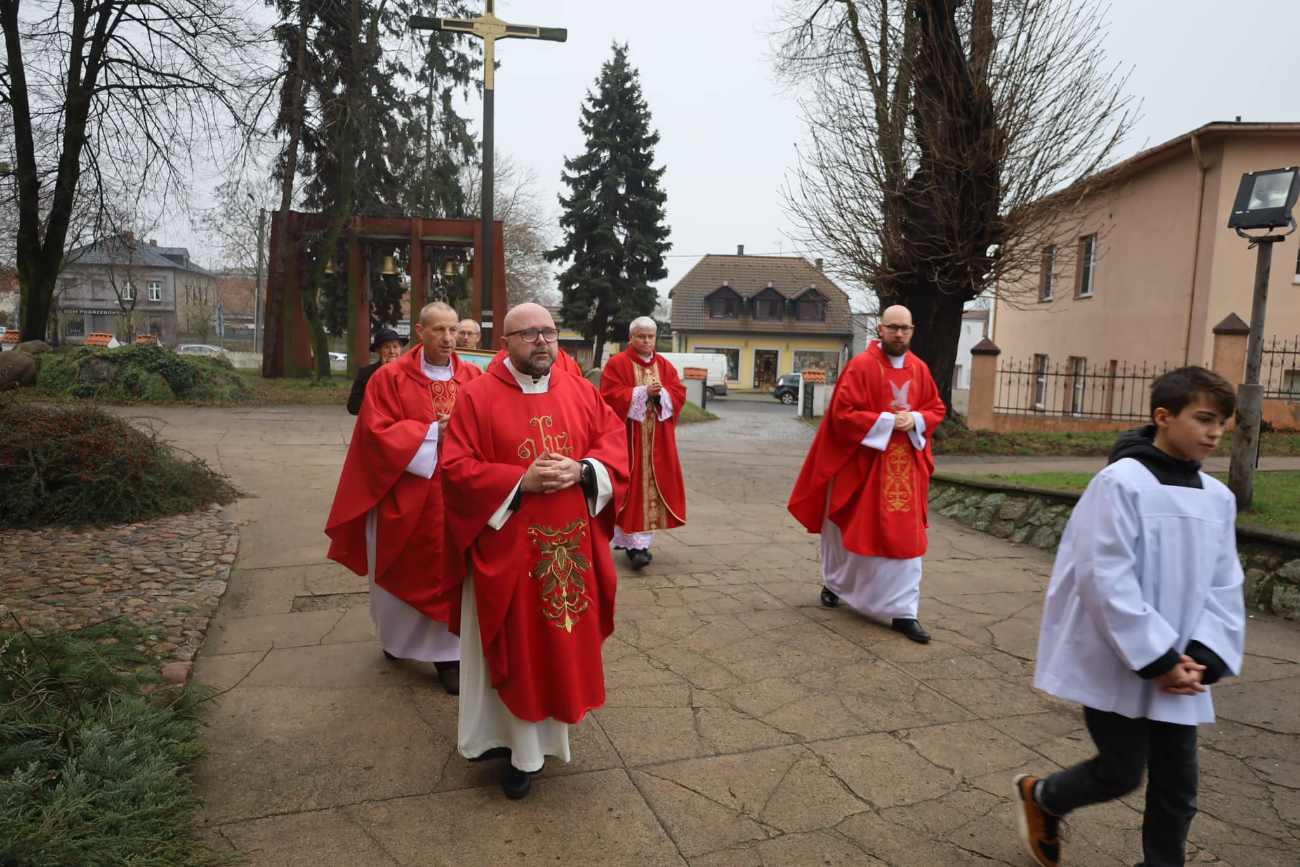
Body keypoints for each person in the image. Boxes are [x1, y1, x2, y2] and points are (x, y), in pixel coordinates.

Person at [1013, 367, 1245, 867]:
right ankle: (1045, 797)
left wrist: (1203, 657)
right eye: (1204, 419)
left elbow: (1226, 583)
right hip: (1121, 656)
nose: (1215, 432)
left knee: (1178, 788)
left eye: (1223, 424)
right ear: (1163, 416)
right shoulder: (1120, 483)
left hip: (1184, 668)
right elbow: (1104, 577)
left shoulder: (1218, 498)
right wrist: (1158, 656)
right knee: (1120, 772)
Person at [440, 302, 629, 800]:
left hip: (569, 554)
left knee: (556, 650)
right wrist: (517, 481)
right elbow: (455, 470)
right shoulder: (477, 398)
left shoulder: (582, 392)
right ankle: (508, 749)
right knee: (516, 648)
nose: (542, 341)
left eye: (549, 332)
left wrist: (584, 470)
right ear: (505, 343)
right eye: (529, 334)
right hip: (508, 554)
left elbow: (614, 446)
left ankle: (542, 746)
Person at [325, 302, 481, 694]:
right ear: (420, 331)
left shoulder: (475, 377)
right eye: (439, 330)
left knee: (455, 575)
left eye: (453, 330)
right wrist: (432, 433)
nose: (448, 339)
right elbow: (375, 434)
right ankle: (397, 642)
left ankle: (450, 656)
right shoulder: (389, 378)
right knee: (405, 573)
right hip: (406, 494)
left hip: (460, 495)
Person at [787, 305, 946, 643]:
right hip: (864, 466)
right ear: (880, 328)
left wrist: (915, 420)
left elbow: (935, 408)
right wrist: (890, 421)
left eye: (904, 328)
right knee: (849, 534)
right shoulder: (860, 366)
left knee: (908, 542)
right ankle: (836, 584)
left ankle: (904, 611)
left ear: (912, 330)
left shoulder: (920, 369)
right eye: (892, 328)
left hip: (906, 470)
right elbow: (842, 415)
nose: (898, 334)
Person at [598, 316, 686, 569]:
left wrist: (663, 396)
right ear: (631, 337)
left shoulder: (665, 366)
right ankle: (632, 544)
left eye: (651, 337)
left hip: (658, 441)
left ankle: (641, 545)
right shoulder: (617, 364)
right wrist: (641, 393)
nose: (647, 341)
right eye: (642, 336)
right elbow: (609, 396)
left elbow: (678, 392)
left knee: (652, 491)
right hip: (628, 440)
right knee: (630, 488)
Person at [346, 328, 406, 416]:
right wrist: (377, 402)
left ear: (400, 348)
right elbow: (353, 406)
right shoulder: (366, 372)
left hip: (402, 426)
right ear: (378, 350)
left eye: (395, 346)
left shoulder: (408, 372)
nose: (392, 351)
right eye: (387, 347)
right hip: (376, 425)